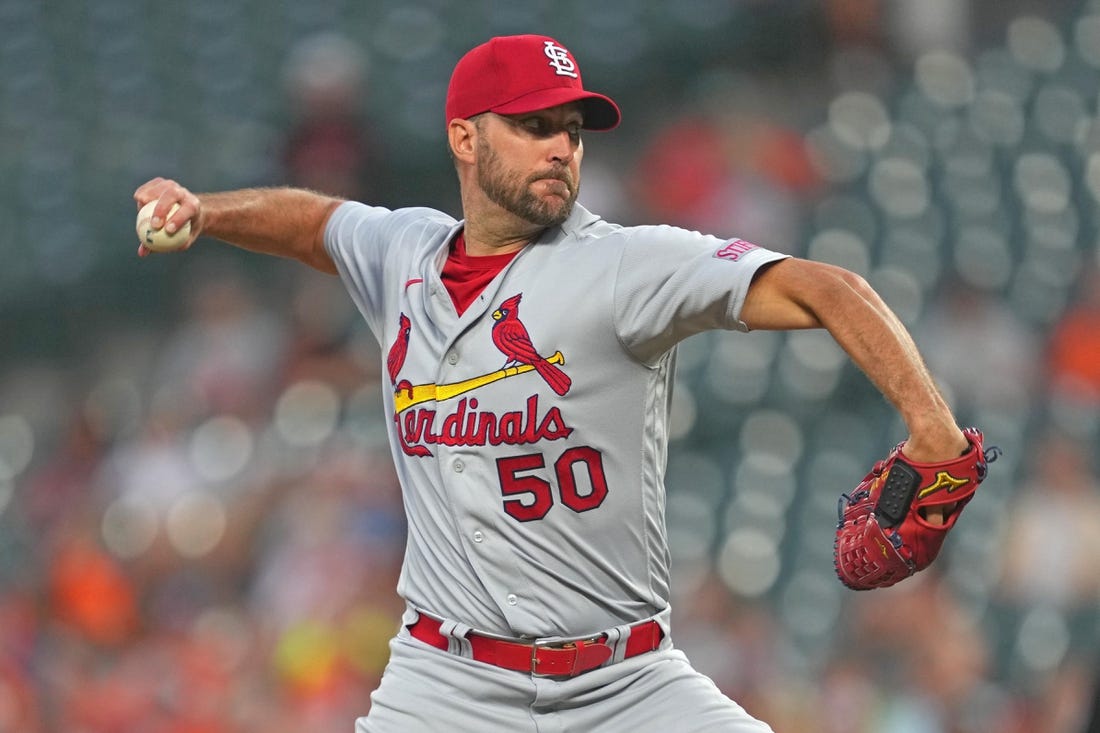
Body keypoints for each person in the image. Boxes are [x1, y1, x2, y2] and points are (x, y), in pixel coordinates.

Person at [133, 34, 970, 733]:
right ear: (464, 138)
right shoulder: (403, 253)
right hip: (446, 684)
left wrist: (932, 428)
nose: (560, 147)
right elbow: (316, 223)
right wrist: (207, 210)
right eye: (533, 126)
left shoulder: (624, 266)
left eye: (570, 128)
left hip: (626, 682)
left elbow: (829, 288)